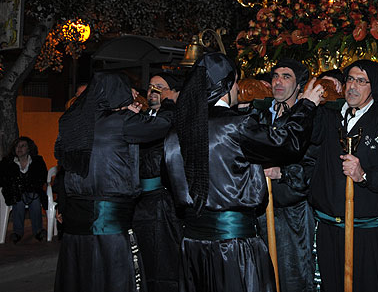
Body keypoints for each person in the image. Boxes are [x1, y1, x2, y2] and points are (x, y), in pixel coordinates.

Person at [163, 52, 324, 292]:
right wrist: (307, 104)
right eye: (237, 82)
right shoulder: (234, 125)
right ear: (226, 86)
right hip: (233, 245)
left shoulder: (177, 129)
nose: (240, 88)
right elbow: (287, 143)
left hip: (193, 243)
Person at [53, 71, 175, 292]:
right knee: (114, 278)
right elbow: (163, 125)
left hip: (76, 225)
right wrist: (168, 102)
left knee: (82, 279)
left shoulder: (71, 122)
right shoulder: (122, 123)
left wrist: (125, 116)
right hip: (108, 223)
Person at [306, 59, 378, 292]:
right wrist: (308, 104)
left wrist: (364, 175)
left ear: (373, 87)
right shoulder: (329, 116)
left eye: (361, 81)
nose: (353, 86)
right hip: (328, 229)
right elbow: (304, 138)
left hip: (365, 232)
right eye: (350, 79)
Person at [254, 58, 316, 292]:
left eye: (286, 76)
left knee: (294, 274)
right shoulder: (260, 114)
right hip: (261, 205)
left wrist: (283, 172)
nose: (278, 82)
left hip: (293, 211)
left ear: (299, 84)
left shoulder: (308, 115)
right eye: (275, 76)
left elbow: (313, 165)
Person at [133, 72, 183, 292]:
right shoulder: (138, 118)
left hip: (163, 205)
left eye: (160, 87)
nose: (153, 91)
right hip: (136, 202)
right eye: (151, 86)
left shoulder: (177, 119)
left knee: (164, 262)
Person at [0, 136, 47, 243]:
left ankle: (38, 231)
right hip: (15, 192)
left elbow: (42, 177)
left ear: (29, 148)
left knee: (34, 198)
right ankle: (17, 233)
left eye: (23, 146)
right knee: (19, 199)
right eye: (17, 146)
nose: (19, 148)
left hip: (33, 191)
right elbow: (2, 179)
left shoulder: (37, 161)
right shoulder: (7, 162)